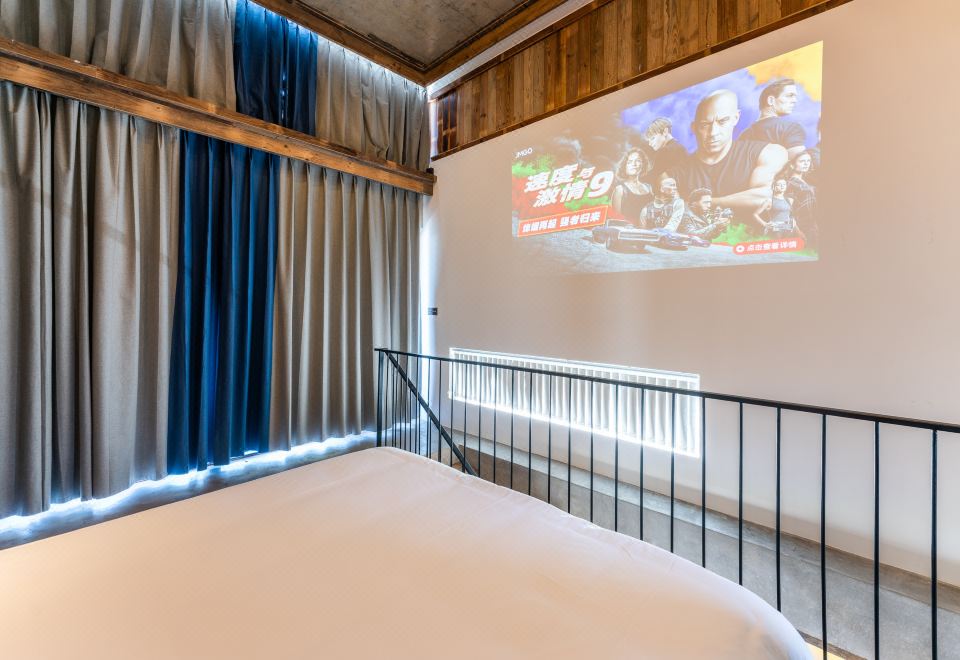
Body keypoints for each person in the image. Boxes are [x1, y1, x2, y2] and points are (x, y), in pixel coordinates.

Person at [673, 90, 788, 215]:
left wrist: (705, 203)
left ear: (736, 118)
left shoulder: (768, 153)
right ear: (694, 127)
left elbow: (763, 197)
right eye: (705, 125)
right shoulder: (676, 173)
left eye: (722, 121)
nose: (713, 133)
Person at [738, 79, 807, 160]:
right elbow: (801, 164)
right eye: (790, 95)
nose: (795, 101)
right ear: (771, 100)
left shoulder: (744, 136)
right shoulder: (792, 129)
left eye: (795, 97)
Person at [611, 148, 654, 226]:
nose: (634, 164)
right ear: (624, 166)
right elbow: (616, 220)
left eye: (638, 161)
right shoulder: (620, 190)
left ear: (643, 164)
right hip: (629, 231)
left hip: (650, 231)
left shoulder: (649, 187)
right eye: (629, 162)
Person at [785, 150, 818, 246]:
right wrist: (797, 231)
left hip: (812, 227)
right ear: (792, 165)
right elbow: (786, 211)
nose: (806, 164)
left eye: (808, 161)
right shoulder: (791, 183)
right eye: (802, 161)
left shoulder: (807, 184)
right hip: (801, 229)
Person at [644, 117, 688, 182]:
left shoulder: (664, 151)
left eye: (653, 138)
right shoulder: (682, 148)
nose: (650, 144)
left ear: (665, 132)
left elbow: (653, 177)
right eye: (648, 141)